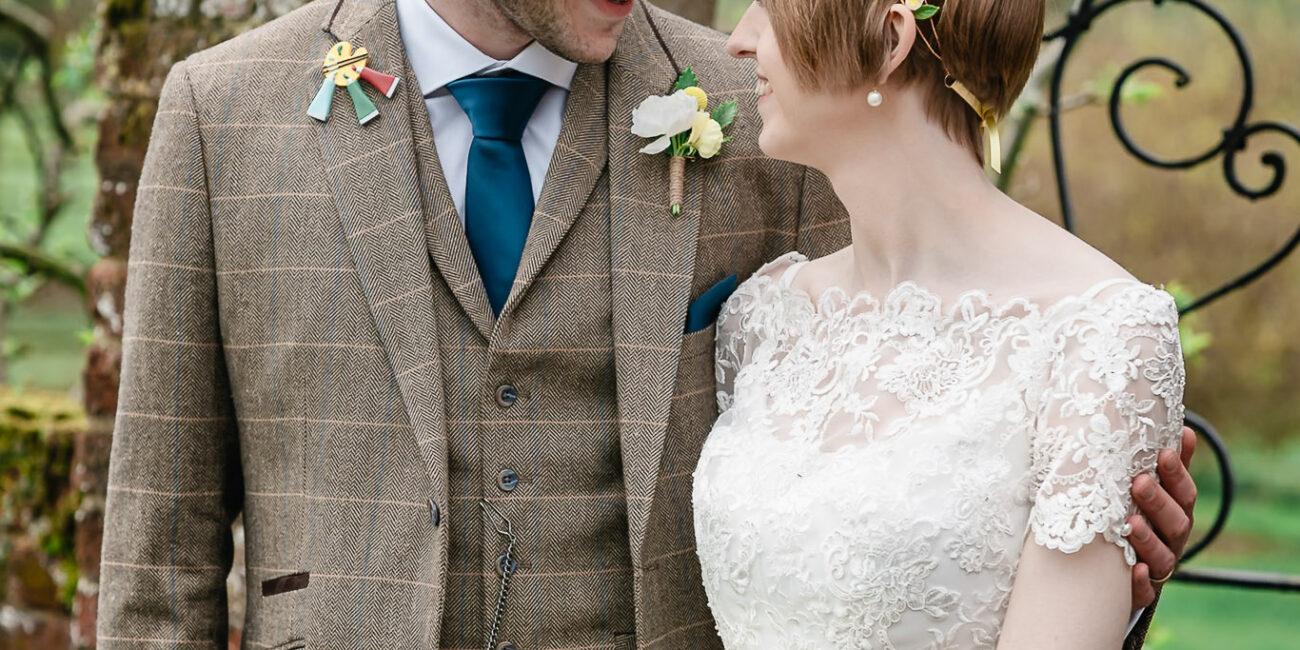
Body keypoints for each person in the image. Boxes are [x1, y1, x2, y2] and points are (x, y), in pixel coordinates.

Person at [98, 0, 1194, 648]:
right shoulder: (223, 114)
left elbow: (911, 417)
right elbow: (158, 561)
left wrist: (1091, 530)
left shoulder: (754, 113)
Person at [692, 0, 1192, 648]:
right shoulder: (764, 317)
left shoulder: (1100, 335)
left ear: (890, 38)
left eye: (769, 6)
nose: (739, 40)